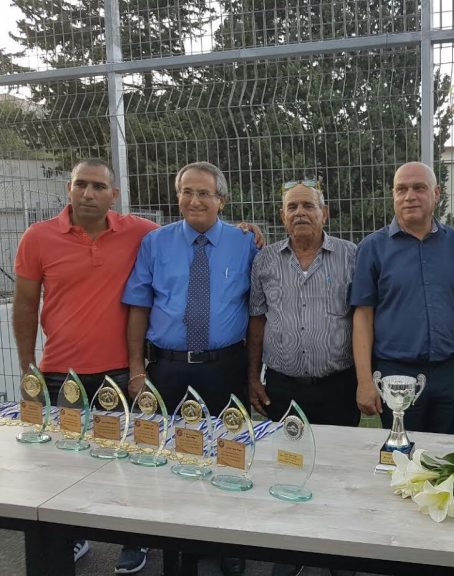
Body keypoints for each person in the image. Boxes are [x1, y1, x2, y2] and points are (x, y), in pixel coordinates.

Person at [12, 158, 158, 574]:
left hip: (121, 373)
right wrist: (27, 366)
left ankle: (134, 538)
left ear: (114, 195)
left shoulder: (140, 232)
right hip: (60, 375)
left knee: (126, 460)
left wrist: (244, 230)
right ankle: (70, 537)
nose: (88, 194)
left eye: (98, 187)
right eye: (80, 185)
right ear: (69, 189)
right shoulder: (38, 237)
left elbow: (189, 232)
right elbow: (25, 305)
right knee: (65, 463)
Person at [122, 161, 258, 576]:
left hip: (224, 367)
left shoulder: (245, 243)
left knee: (229, 453)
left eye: (204, 193)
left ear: (222, 200)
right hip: (168, 369)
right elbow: (138, 307)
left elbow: (257, 308)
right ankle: (174, 545)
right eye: (186, 192)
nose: (194, 200)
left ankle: (228, 539)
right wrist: (136, 368)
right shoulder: (155, 243)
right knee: (166, 454)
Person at [351, 161, 454, 435]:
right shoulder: (372, 248)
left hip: (451, 373)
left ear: (436, 193)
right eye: (401, 189)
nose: (409, 196)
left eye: (419, 188)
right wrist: (364, 381)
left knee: (452, 453)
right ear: (393, 195)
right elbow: (363, 316)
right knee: (402, 454)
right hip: (396, 374)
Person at [248, 179, 359, 427]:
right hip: (282, 387)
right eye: (292, 207)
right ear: (283, 216)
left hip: (339, 386)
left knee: (340, 449)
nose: (300, 212)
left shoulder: (350, 255)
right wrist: (253, 378)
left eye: (308, 205)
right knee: (285, 451)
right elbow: (257, 321)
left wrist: (364, 379)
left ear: (324, 213)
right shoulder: (264, 260)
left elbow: (363, 319)